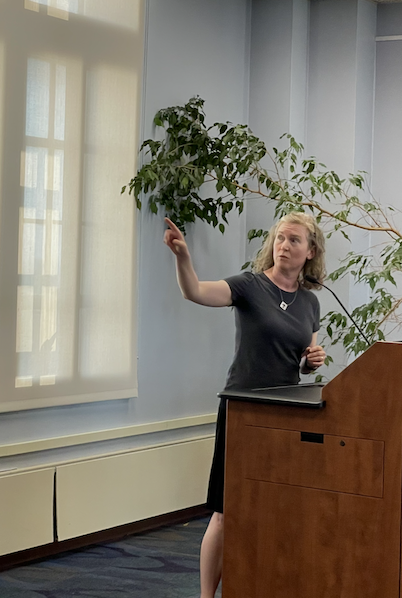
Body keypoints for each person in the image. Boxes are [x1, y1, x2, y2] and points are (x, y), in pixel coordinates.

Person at [163, 211, 327, 598]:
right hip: (243, 408)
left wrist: (311, 361)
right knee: (227, 511)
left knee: (274, 506)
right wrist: (183, 258)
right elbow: (196, 292)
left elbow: (302, 361)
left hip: (285, 412)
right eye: (280, 238)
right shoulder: (250, 286)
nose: (284, 246)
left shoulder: (310, 303)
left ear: (311, 251)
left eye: (294, 241)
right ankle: (207, 595)